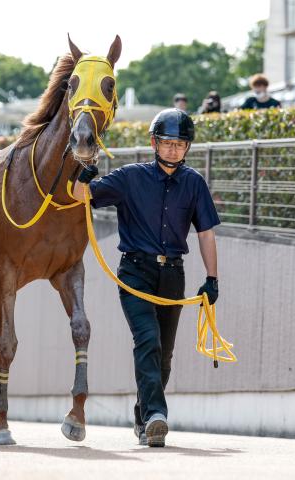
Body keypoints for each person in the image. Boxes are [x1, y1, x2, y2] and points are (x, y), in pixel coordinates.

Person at [72, 108, 221, 447]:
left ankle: (144, 415)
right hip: (135, 273)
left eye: (180, 144)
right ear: (154, 143)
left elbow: (206, 234)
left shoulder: (194, 183)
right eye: (167, 143)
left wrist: (212, 280)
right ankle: (157, 414)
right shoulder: (130, 177)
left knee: (164, 354)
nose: (173, 150)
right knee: (148, 340)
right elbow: (82, 197)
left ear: (187, 148)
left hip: (173, 274)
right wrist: (84, 176)